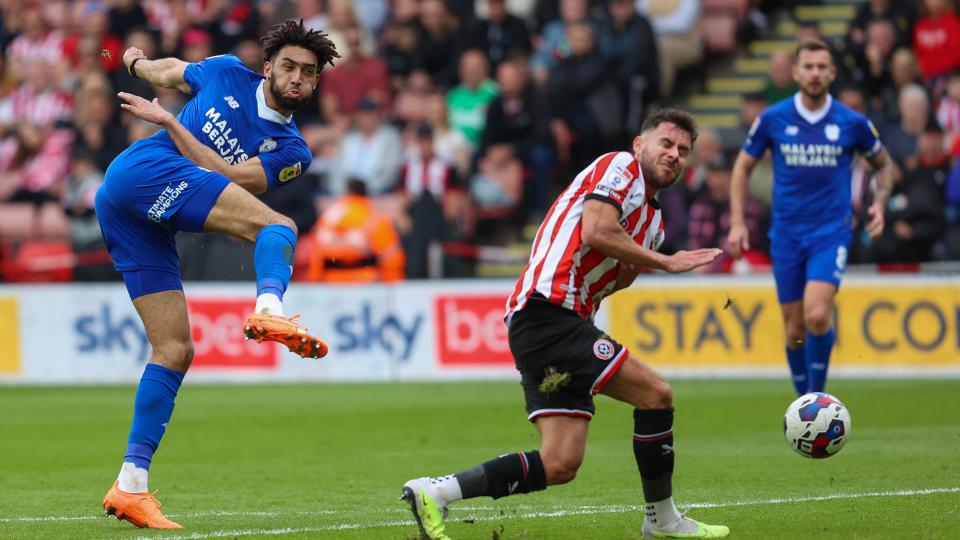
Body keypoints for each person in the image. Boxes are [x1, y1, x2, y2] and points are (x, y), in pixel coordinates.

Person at [400, 108, 728, 540]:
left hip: (557, 320)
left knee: (560, 463)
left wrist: (638, 259)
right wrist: (665, 262)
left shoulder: (654, 224)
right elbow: (596, 230)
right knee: (656, 394)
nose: (674, 154)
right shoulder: (620, 166)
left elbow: (614, 274)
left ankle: (436, 492)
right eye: (666, 143)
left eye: (683, 151)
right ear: (639, 144)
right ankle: (662, 520)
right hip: (548, 310)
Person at [96, 19, 339, 529]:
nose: (297, 78)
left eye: (308, 72)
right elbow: (172, 71)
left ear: (316, 81)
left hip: (138, 211)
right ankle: (269, 309)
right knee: (279, 227)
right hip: (142, 172)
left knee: (174, 350)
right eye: (289, 66)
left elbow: (224, 174)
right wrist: (137, 64)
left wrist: (170, 122)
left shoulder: (293, 152)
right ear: (268, 67)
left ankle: (130, 485)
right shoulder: (226, 71)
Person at [727, 38, 894, 396]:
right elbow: (741, 168)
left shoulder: (852, 122)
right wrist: (738, 222)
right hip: (786, 234)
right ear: (796, 72)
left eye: (821, 67)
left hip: (830, 233)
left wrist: (879, 202)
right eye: (808, 66)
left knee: (817, 314)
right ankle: (804, 402)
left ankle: (817, 399)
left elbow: (884, 165)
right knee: (795, 330)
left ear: (832, 73)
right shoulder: (773, 118)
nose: (815, 73)